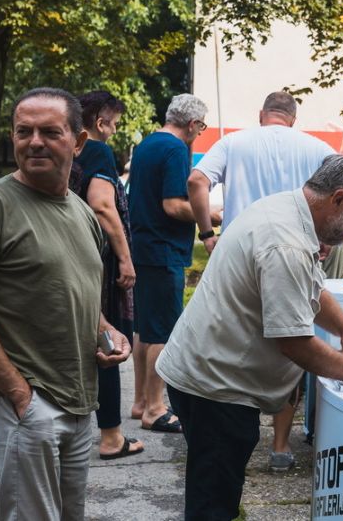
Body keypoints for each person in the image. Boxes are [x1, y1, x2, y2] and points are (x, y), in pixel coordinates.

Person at [156, 154, 343, 520]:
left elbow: (311, 289)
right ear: (338, 198)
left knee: (215, 490)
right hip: (218, 389)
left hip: (208, 375)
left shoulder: (287, 209)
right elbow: (295, 342)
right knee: (212, 505)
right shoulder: (286, 243)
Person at [0, 87, 131, 520]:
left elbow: (80, 292)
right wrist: (19, 394)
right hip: (26, 405)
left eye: (49, 132)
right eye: (23, 131)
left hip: (76, 401)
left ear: (77, 141)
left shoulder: (80, 210)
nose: (34, 141)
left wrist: (107, 332)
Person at [187, 89, 343, 471]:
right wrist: (325, 240)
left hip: (241, 255)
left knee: (235, 343)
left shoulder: (234, 141)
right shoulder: (317, 148)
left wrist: (207, 232)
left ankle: (232, 436)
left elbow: (197, 181)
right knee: (291, 342)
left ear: (262, 114)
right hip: (297, 254)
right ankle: (279, 447)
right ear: (293, 118)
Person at [128, 93, 219, 434]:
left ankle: (139, 401)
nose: (199, 133)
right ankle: (155, 407)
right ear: (193, 124)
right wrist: (209, 215)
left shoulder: (148, 144)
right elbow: (173, 204)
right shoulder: (176, 149)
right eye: (201, 127)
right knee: (164, 332)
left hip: (142, 245)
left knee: (144, 329)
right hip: (163, 248)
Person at [71, 90, 144, 460]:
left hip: (73, 256)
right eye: (113, 125)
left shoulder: (69, 151)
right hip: (100, 262)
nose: (113, 131)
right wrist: (126, 259)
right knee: (109, 342)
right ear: (99, 123)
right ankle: (112, 437)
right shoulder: (96, 150)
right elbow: (101, 205)